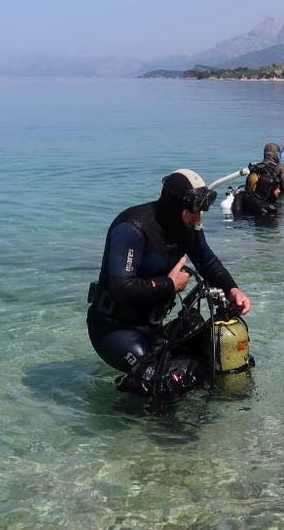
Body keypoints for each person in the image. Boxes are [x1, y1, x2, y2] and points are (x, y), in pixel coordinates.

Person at [86, 169, 252, 396]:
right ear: (175, 208)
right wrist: (169, 285)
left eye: (202, 212)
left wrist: (233, 289)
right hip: (114, 329)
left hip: (152, 329)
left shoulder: (188, 228)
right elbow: (120, 287)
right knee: (164, 385)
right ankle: (130, 418)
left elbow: (207, 262)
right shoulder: (131, 228)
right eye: (194, 212)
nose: (199, 218)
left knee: (212, 356)